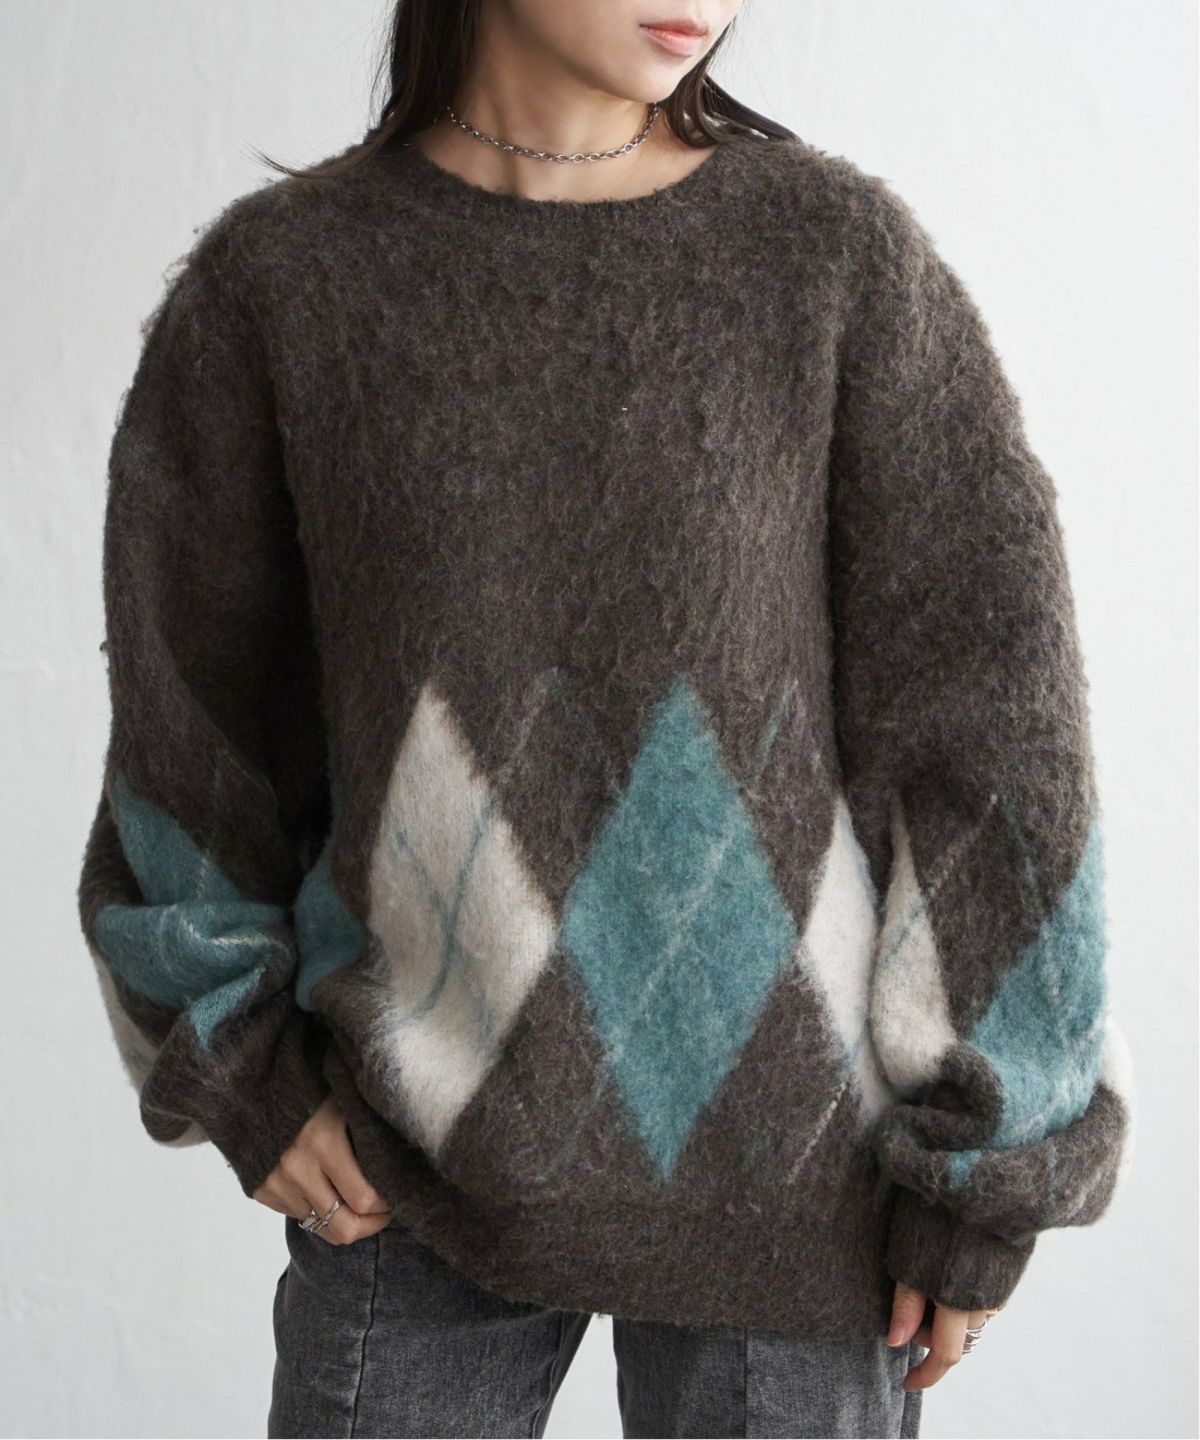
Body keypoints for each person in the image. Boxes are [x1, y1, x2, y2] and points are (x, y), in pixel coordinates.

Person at [75, 2, 1136, 1436]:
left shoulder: (830, 262)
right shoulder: (285, 286)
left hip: (802, 1182)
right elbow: (191, 720)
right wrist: (242, 1070)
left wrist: (990, 1168)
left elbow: (992, 720)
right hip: (408, 1162)